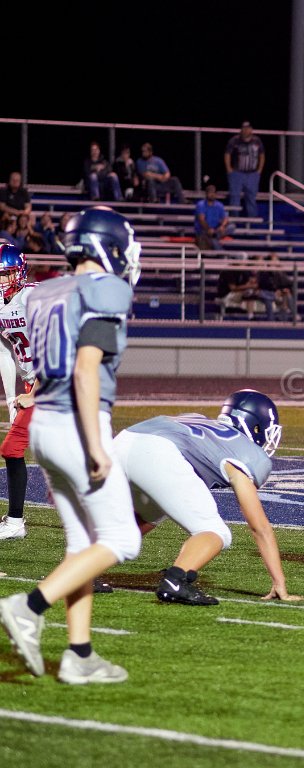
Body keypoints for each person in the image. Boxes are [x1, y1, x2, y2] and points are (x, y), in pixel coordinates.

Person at [0, 206, 141, 684]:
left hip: (44, 424)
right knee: (123, 539)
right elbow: (85, 367)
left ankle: (79, 655)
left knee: (82, 544)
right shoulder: (106, 289)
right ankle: (29, 606)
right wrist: (96, 446)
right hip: (78, 423)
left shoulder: (47, 291)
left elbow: (42, 367)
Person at [112, 390, 303, 605]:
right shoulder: (249, 454)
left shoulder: (199, 419)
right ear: (257, 427)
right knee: (214, 531)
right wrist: (279, 581)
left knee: (150, 512)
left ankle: (88, 567)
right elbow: (259, 527)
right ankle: (176, 581)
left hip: (122, 441)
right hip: (157, 452)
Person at [0, 244, 37, 542]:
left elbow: (58, 348)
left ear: (20, 273)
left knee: (12, 449)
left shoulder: (35, 299)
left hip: (57, 382)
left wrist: (36, 393)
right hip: (34, 383)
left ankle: (15, 522)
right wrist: (12, 397)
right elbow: (4, 351)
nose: (1, 281)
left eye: (6, 274)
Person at [224, 121, 265, 219]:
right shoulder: (234, 140)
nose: (246, 130)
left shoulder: (257, 141)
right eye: (244, 128)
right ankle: (234, 220)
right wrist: (229, 169)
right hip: (237, 173)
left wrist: (259, 170)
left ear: (251, 129)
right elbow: (227, 154)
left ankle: (252, 221)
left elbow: (262, 155)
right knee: (234, 197)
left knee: (251, 197)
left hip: (252, 174)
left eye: (248, 128)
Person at [194, 183, 230, 251]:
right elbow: (201, 220)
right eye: (210, 192)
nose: (212, 194)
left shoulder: (219, 205)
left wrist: (222, 226)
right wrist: (208, 229)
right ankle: (223, 254)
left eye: (214, 192)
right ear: (206, 194)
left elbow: (225, 219)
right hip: (203, 230)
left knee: (232, 226)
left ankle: (215, 235)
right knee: (213, 239)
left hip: (216, 230)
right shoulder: (201, 204)